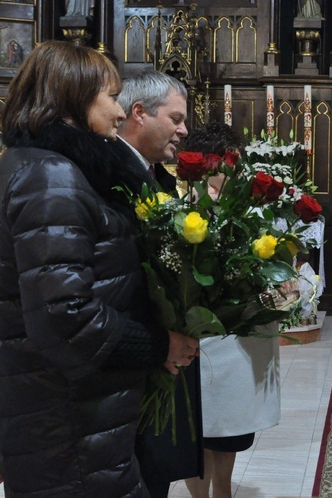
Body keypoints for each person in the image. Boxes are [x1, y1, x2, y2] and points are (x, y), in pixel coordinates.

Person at [0, 40, 198, 496]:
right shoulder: (50, 176)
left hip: (73, 408)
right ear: (73, 97)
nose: (120, 113)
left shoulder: (52, 165)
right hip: (65, 414)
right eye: (110, 97)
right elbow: (65, 316)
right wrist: (159, 345)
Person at [181, 122, 282, 498]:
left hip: (241, 334)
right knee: (198, 429)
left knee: (230, 430)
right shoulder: (183, 204)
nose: (236, 170)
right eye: (229, 162)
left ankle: (222, 493)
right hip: (202, 336)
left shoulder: (250, 205)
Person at [117, 70, 202, 498]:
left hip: (160, 353)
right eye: (176, 118)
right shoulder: (109, 177)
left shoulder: (160, 178)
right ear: (138, 113)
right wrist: (155, 343)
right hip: (131, 360)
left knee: (155, 476)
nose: (184, 130)